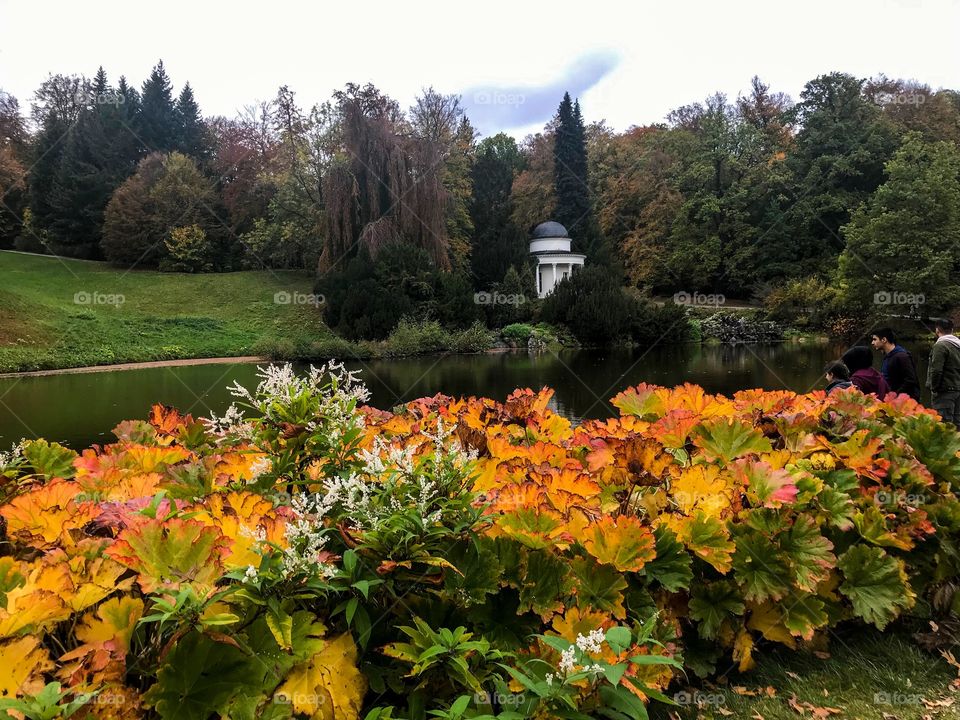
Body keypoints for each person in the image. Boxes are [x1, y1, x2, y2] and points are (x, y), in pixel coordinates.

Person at [870, 327, 921, 401]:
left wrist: (895, 395)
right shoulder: (888, 356)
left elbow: (910, 380)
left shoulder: (902, 356)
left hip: (904, 403)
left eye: (875, 339)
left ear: (884, 340)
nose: (872, 343)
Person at [926, 317, 960, 425]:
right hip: (958, 390)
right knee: (957, 426)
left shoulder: (940, 346)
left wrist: (934, 388)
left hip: (944, 392)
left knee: (943, 425)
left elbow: (936, 371)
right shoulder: (957, 344)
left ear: (937, 330)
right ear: (952, 330)